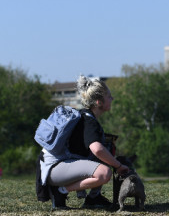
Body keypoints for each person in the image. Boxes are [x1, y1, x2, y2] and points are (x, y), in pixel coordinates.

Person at [42, 75, 129, 209]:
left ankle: (94, 198)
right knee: (105, 172)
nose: (112, 99)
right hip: (54, 170)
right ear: (99, 102)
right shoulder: (89, 121)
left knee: (107, 149)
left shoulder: (85, 116)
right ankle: (60, 192)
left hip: (55, 167)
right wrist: (118, 165)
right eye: (109, 96)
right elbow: (97, 149)